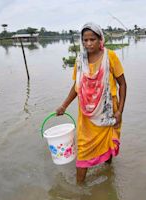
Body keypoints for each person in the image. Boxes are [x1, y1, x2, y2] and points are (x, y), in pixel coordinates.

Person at [56, 22, 127, 184]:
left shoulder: (111, 57)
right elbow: (77, 86)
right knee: (83, 150)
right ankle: (79, 188)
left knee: (108, 144)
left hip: (108, 112)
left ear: (100, 39)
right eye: (85, 40)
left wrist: (119, 112)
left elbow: (122, 84)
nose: (88, 43)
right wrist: (64, 105)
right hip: (87, 116)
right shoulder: (80, 60)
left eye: (92, 39)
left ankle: (109, 177)